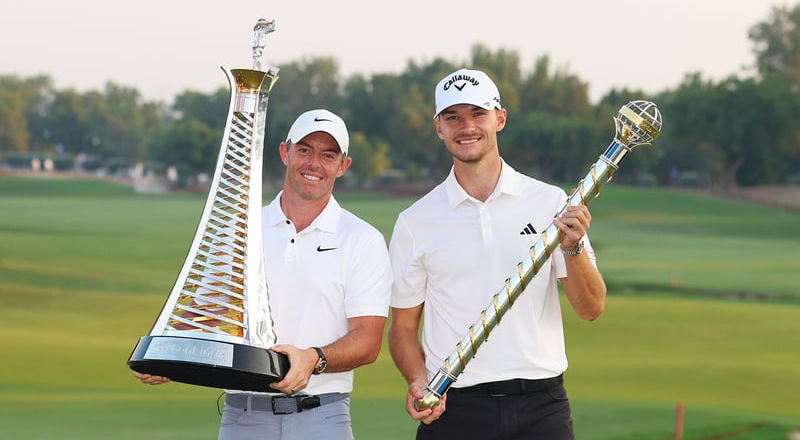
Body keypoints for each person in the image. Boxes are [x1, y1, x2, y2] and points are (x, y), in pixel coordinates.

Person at [135, 109, 393, 440]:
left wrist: (312, 359)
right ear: (285, 152)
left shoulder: (362, 239)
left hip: (322, 416)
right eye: (304, 150)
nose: (314, 163)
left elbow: (367, 341)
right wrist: (164, 353)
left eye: (328, 155)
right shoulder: (238, 229)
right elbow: (208, 311)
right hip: (244, 417)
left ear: (343, 166)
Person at [387, 69, 607, 440]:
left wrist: (572, 247)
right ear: (438, 127)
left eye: (478, 114)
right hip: (455, 407)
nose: (466, 126)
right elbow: (403, 328)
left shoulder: (551, 203)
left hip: (542, 404)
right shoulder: (415, 222)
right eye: (453, 117)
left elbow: (591, 308)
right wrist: (418, 381)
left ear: (500, 118)